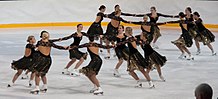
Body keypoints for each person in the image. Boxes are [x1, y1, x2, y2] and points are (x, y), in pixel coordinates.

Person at [128, 16, 167, 81]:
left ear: (144, 37)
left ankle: (160, 75)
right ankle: (147, 76)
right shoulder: (141, 41)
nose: (140, 36)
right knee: (148, 67)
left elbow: (143, 42)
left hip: (152, 54)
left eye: (141, 36)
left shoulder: (146, 42)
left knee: (157, 65)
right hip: (146, 55)